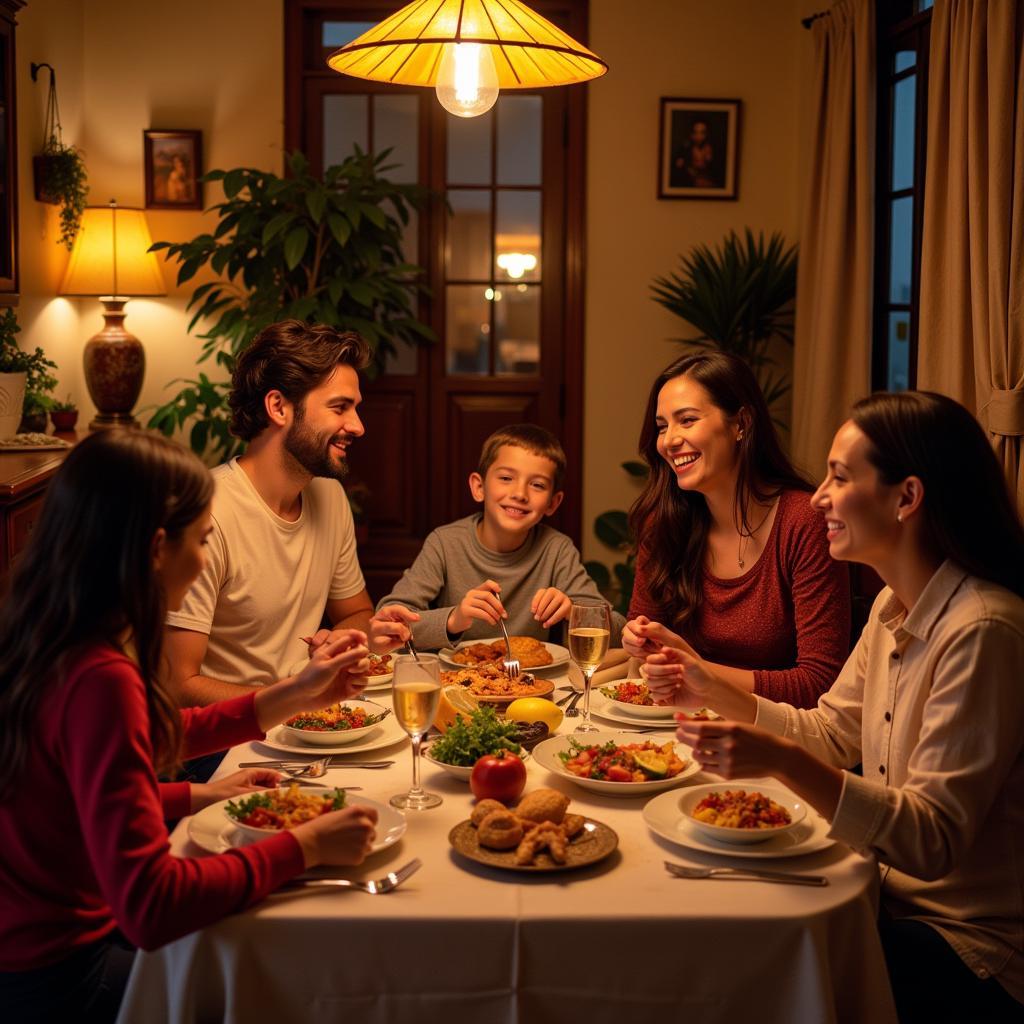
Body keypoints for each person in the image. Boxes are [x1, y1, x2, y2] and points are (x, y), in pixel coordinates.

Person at [644, 391, 1024, 1021]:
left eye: (840, 477)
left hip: (970, 947)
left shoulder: (983, 630)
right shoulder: (891, 607)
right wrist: (707, 688)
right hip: (884, 897)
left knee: (737, 971)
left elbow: (932, 840)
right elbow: (830, 730)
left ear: (906, 498)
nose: (817, 496)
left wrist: (784, 762)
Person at [0, 430, 381, 1024]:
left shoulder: (50, 636)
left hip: (25, 953)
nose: (206, 559)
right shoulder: (101, 677)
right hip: (61, 976)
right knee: (278, 982)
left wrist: (294, 696)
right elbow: (151, 906)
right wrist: (303, 847)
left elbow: (102, 776)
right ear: (156, 549)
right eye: (202, 540)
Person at [166, 320, 417, 707]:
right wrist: (300, 698)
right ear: (278, 407)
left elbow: (357, 612)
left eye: (356, 409)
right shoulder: (206, 515)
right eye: (340, 407)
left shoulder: (330, 496)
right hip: (222, 749)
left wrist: (342, 639)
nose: (359, 426)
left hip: (303, 721)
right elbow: (179, 687)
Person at [623, 352, 850, 708]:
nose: (669, 440)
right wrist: (640, 644)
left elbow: (820, 683)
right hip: (678, 727)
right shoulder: (663, 522)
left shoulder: (804, 522)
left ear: (740, 423)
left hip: (776, 739)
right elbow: (645, 656)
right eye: (663, 426)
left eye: (687, 420)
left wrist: (698, 671)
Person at [376, 424, 624, 649]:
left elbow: (618, 632)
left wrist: (573, 611)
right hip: (453, 685)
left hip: (530, 686)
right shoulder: (445, 543)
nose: (519, 493)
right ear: (479, 487)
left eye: (537, 485)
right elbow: (388, 620)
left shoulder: (556, 549)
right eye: (506, 478)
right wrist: (455, 618)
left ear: (553, 502)